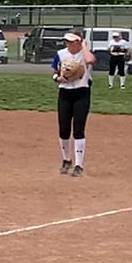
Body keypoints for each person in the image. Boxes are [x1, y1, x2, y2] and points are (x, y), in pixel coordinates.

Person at [52, 32, 96, 176]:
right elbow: (55, 72)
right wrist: (58, 78)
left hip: (81, 93)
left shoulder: (85, 54)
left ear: (79, 42)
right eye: (66, 41)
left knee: (78, 129)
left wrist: (84, 46)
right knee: (64, 129)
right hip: (65, 94)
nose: (68, 44)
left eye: (71, 41)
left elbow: (90, 60)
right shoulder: (61, 54)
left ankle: (79, 165)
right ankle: (66, 160)